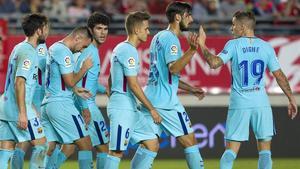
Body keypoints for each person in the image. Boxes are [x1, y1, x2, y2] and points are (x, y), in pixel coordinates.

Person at [198, 11, 298, 169]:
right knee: (265, 152)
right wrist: (291, 99)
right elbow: (279, 75)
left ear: (243, 27)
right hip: (261, 103)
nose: (231, 28)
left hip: (240, 103)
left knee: (230, 152)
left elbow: (214, 63)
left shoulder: (233, 44)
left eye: (234, 24)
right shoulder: (266, 46)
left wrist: (202, 45)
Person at [141, 2, 205, 169]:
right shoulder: (171, 39)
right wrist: (192, 50)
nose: (191, 19)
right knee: (190, 142)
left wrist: (191, 89)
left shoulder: (158, 37)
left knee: (150, 145)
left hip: (151, 99)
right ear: (178, 17)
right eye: (188, 15)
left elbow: (165, 75)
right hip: (166, 103)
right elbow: (173, 68)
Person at [104, 11, 162, 169]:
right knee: (116, 151)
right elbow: (133, 84)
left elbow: (109, 79)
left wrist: (114, 98)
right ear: (137, 30)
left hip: (128, 106)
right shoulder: (129, 51)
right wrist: (152, 109)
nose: (148, 32)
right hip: (123, 107)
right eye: (146, 29)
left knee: (152, 143)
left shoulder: (120, 48)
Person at [0, 13, 49, 169]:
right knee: (42, 145)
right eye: (46, 28)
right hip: (18, 108)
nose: (47, 32)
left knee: (6, 149)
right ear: (39, 30)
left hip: (5, 106)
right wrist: (23, 112)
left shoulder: (18, 47)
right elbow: (19, 82)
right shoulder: (28, 52)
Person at [41, 26, 94, 168]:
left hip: (48, 104)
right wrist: (84, 68)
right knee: (86, 145)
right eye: (84, 46)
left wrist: (75, 89)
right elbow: (69, 81)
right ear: (77, 38)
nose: (82, 50)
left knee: (66, 146)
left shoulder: (54, 48)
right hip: (61, 104)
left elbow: (58, 79)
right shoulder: (64, 52)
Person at [73, 12, 110, 169]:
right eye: (99, 28)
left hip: (81, 103)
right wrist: (85, 108)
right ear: (90, 30)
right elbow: (79, 81)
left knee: (82, 146)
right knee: (103, 148)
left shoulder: (88, 50)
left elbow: (89, 81)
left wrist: (104, 88)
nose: (103, 32)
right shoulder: (91, 52)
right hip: (87, 105)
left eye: (105, 29)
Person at [10, 43, 51, 169]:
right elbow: (35, 78)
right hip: (34, 103)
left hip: (25, 102)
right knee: (43, 144)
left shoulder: (19, 47)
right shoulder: (39, 48)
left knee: (22, 143)